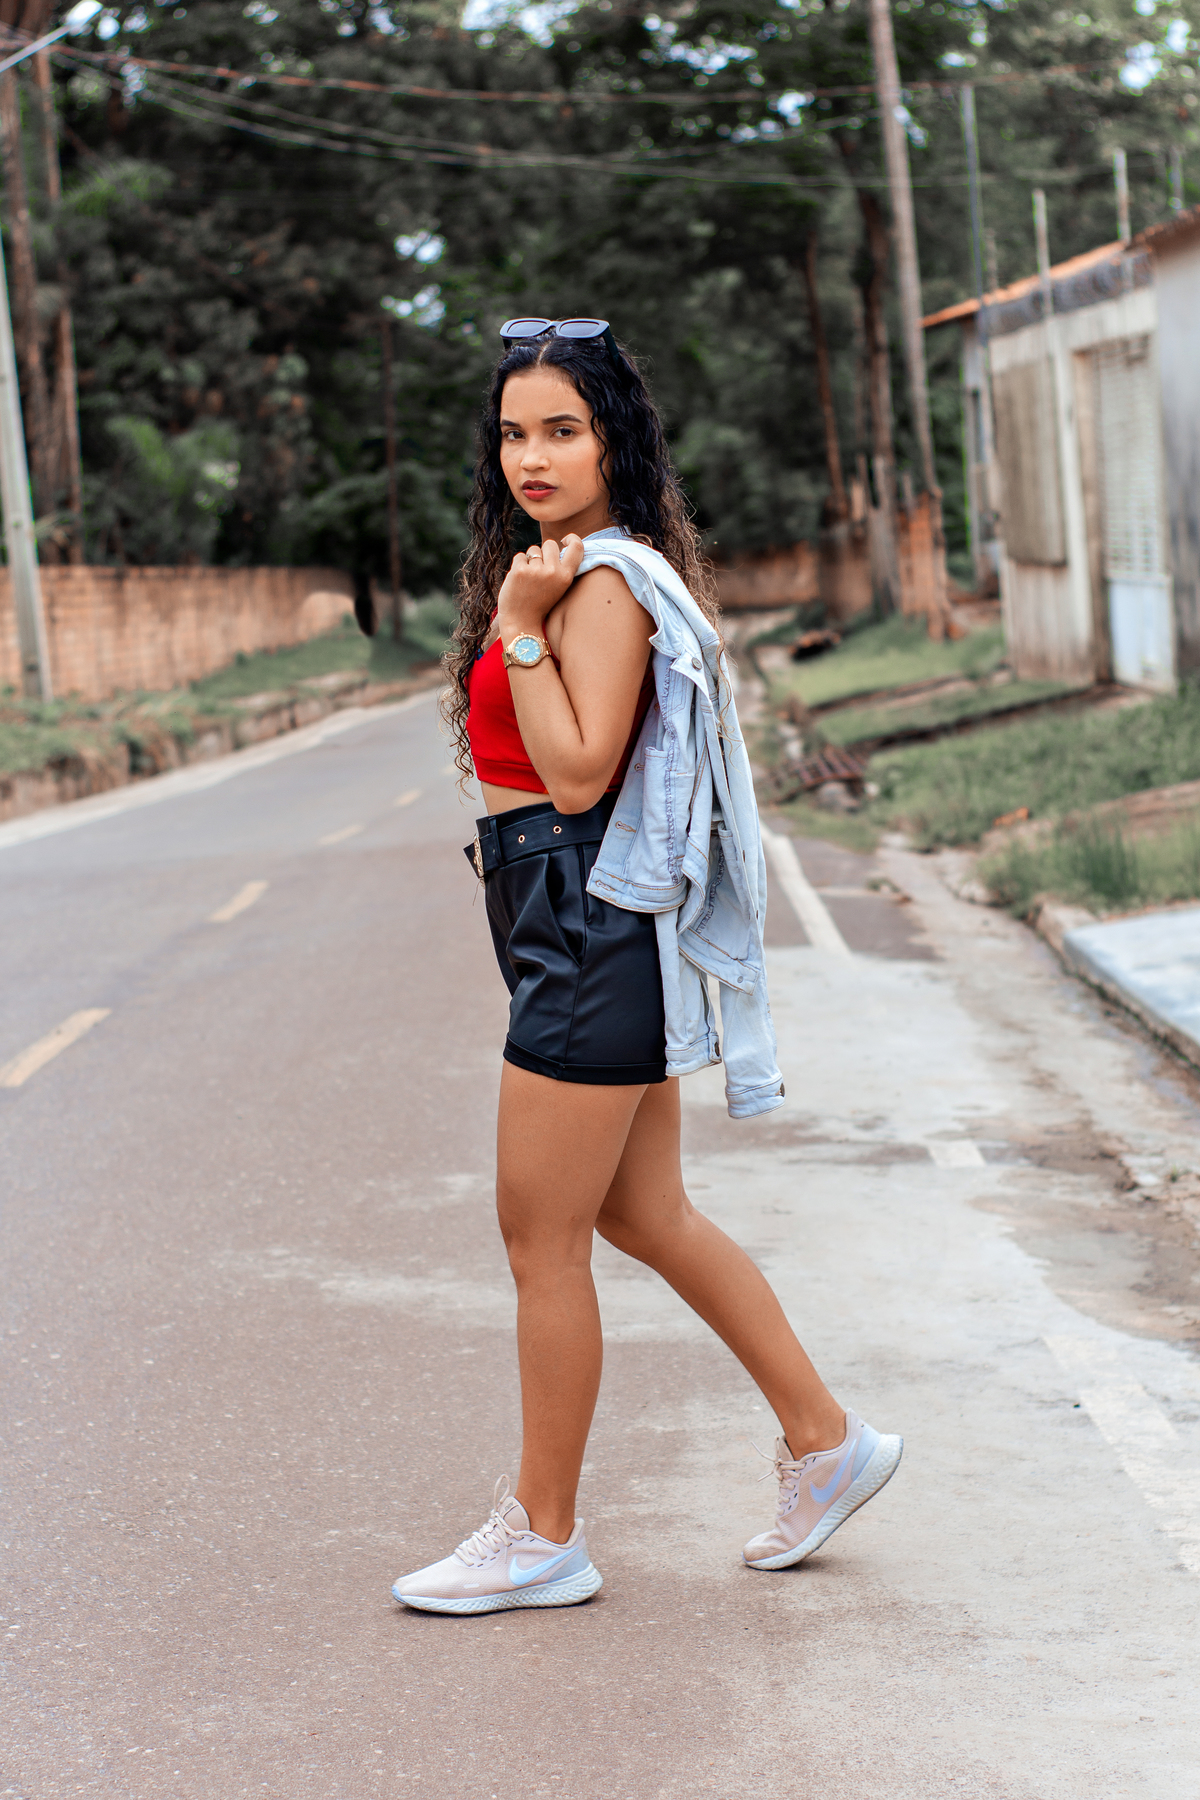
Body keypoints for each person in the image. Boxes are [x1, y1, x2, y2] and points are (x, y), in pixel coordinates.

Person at [391, 317, 901, 1617]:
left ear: (614, 439)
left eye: (563, 430)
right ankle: (825, 1439)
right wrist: (522, 610)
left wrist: (518, 630)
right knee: (643, 1214)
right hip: (563, 915)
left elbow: (577, 773)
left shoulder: (602, 586)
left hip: (583, 923)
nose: (534, 457)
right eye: (515, 433)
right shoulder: (564, 572)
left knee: (541, 1236)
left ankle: (543, 1535)